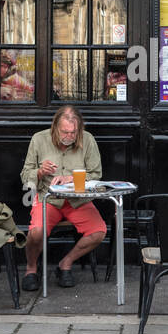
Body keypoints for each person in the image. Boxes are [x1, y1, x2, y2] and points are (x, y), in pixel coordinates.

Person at [20, 105, 106, 290]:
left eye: (73, 132)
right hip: (48, 199)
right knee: (36, 233)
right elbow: (25, 175)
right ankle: (31, 268)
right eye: (65, 132)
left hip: (78, 200)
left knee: (98, 231)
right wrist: (40, 172)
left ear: (79, 129)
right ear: (55, 128)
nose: (69, 136)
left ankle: (65, 264)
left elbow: (96, 174)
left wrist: (72, 178)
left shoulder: (88, 139)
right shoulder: (39, 139)